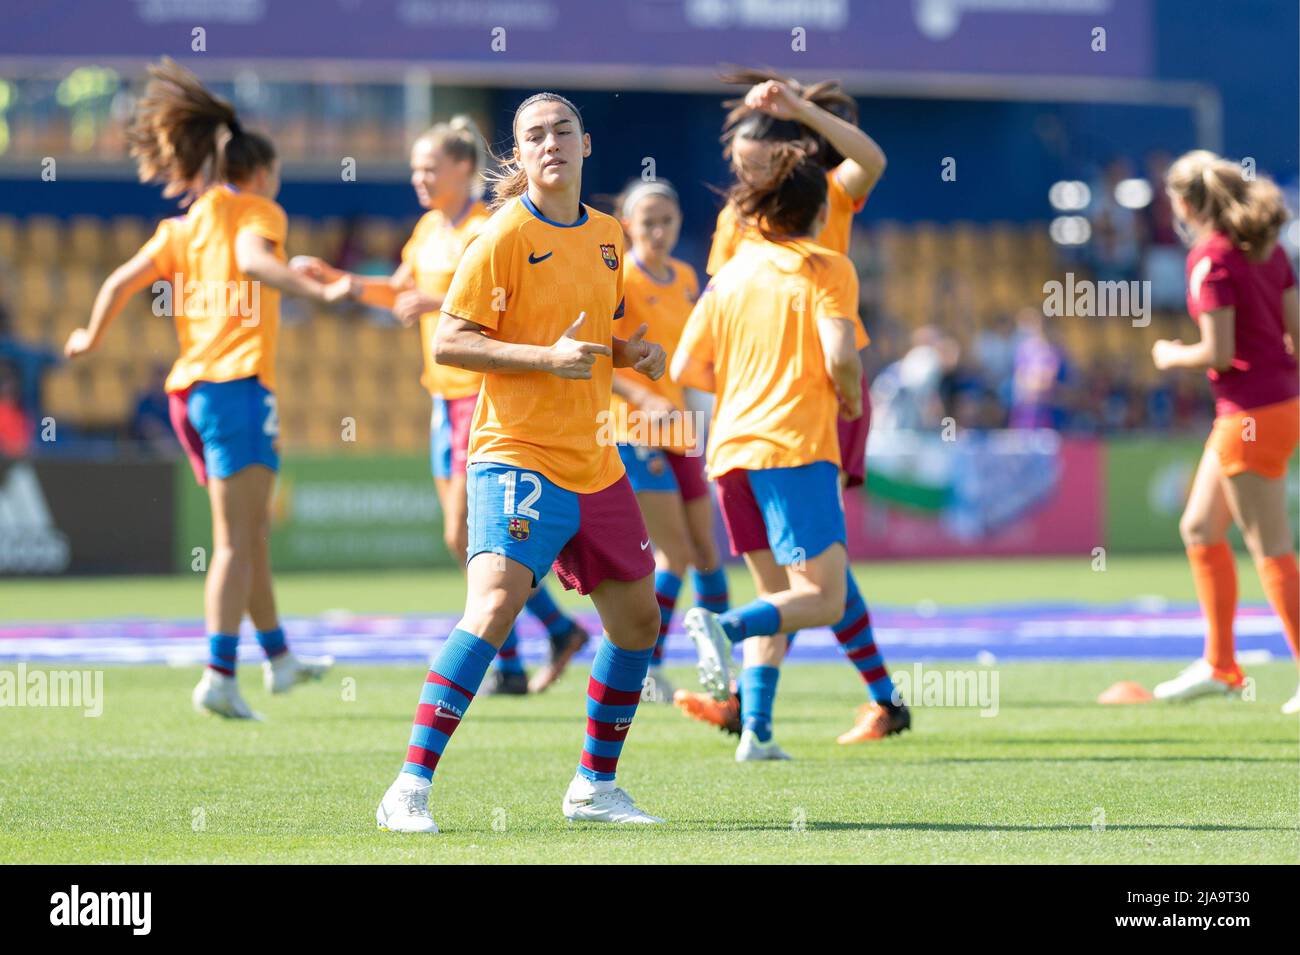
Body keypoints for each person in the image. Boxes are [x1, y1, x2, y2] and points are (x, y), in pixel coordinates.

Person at [375, 92, 668, 832]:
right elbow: (450, 341)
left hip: (595, 459)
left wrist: (628, 351)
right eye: (534, 135)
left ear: (586, 144)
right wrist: (546, 358)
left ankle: (593, 787)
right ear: (519, 153)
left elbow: (591, 332)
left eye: (561, 132)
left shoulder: (607, 237)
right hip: (516, 452)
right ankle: (408, 787)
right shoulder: (502, 233)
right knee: (497, 603)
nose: (550, 144)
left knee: (639, 621)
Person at [63, 58, 341, 718]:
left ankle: (276, 657)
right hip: (236, 387)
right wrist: (320, 288)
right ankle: (219, 673)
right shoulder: (257, 211)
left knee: (248, 536)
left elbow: (117, 283)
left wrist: (87, 337)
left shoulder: (181, 227)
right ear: (262, 172)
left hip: (189, 394)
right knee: (236, 542)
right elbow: (253, 262)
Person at [292, 117, 588, 695]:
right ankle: (549, 632)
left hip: (480, 395)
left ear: (462, 170)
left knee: (471, 534)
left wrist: (437, 300)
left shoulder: (491, 229)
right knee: (462, 539)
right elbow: (400, 291)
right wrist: (342, 280)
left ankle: (515, 653)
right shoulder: (429, 229)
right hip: (440, 396)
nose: (419, 178)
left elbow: (503, 307)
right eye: (414, 169)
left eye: (429, 168)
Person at [676, 70, 906, 745]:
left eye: (755, 166)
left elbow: (871, 160)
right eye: (737, 168)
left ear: (791, 155)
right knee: (810, 573)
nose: (745, 181)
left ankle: (758, 704)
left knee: (811, 571)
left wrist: (800, 105)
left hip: (819, 397)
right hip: (771, 403)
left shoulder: (829, 194)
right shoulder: (734, 224)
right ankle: (792, 707)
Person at [1149, 150, 1299, 714]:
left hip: (1249, 415)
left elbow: (1220, 351)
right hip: (1275, 405)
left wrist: (1168, 355)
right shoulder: (1270, 250)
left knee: (1272, 548)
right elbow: (1297, 340)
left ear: (1186, 204)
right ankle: (1220, 665)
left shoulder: (1210, 259)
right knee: (1198, 527)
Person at [605, 178, 728, 703]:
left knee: (705, 552)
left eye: (667, 221)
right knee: (673, 552)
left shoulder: (682, 277)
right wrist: (639, 395)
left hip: (680, 425)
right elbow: (594, 355)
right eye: (648, 221)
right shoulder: (620, 278)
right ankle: (648, 668)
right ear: (627, 224)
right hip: (635, 429)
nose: (658, 230)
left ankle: (723, 659)